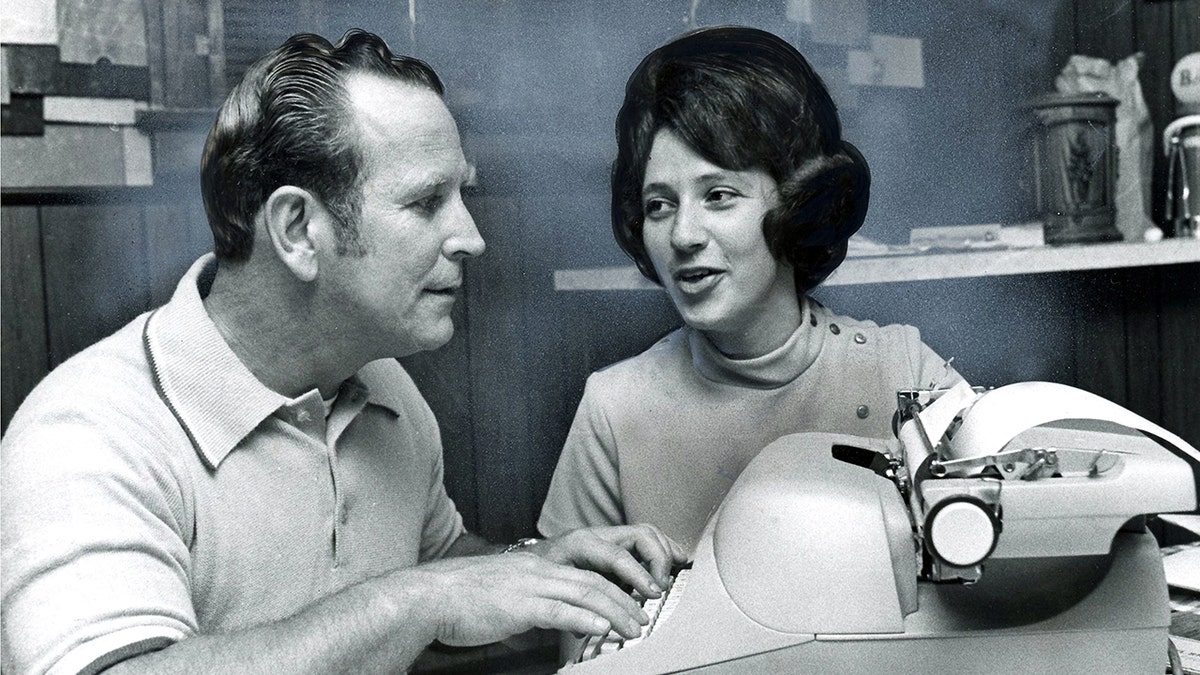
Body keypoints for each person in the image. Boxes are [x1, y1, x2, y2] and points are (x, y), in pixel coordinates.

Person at [1, 29, 685, 675]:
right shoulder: (86, 433)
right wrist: (415, 598)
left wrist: (541, 567)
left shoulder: (382, 388)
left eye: (462, 195)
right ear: (298, 229)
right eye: (426, 203)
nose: (471, 237)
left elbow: (441, 571)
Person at [538, 26, 963, 552]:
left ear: (796, 200)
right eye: (659, 205)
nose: (683, 236)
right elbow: (583, 628)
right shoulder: (613, 408)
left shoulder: (904, 372)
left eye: (717, 195)